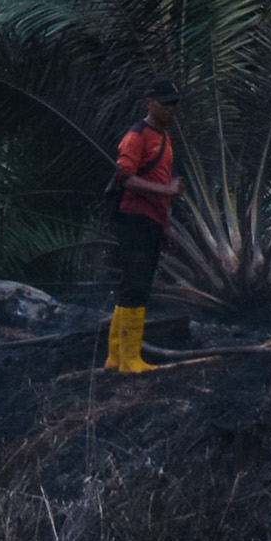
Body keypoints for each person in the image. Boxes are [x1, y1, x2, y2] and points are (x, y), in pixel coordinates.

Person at [102, 80, 181, 377]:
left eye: (173, 103)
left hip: (151, 221)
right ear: (149, 101)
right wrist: (166, 192)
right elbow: (125, 177)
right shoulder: (137, 136)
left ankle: (115, 356)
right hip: (134, 218)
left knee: (134, 285)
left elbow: (163, 184)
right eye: (164, 103)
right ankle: (130, 359)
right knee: (136, 286)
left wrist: (166, 225)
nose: (170, 109)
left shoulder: (164, 138)